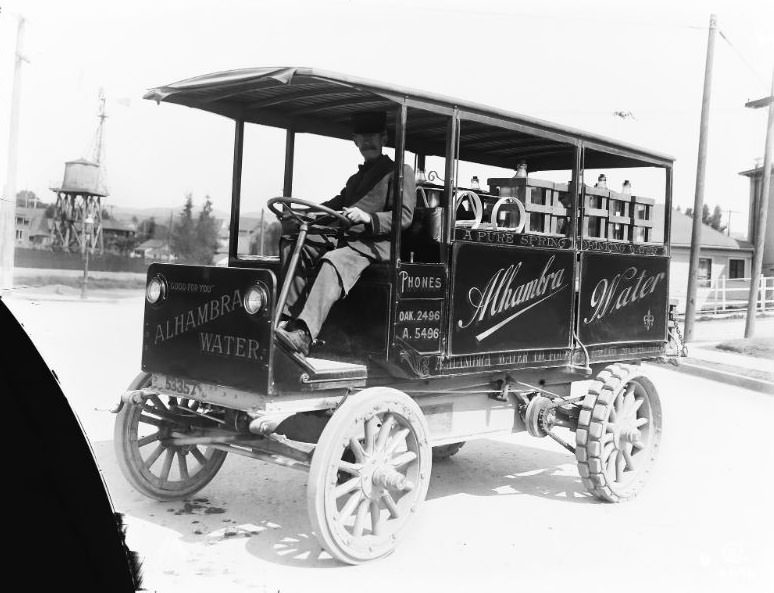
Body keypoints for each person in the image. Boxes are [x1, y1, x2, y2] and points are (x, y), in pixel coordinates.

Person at [275, 111, 415, 356]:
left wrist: (368, 218)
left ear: (384, 138)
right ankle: (284, 320)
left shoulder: (400, 172)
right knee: (296, 244)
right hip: (346, 242)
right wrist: (300, 213)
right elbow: (332, 206)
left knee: (334, 261)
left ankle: (304, 334)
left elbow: (404, 216)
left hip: (375, 247)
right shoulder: (355, 179)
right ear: (355, 141)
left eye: (373, 137)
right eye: (363, 138)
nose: (368, 143)